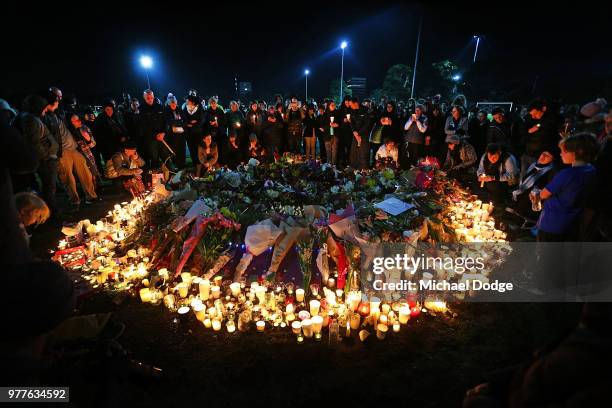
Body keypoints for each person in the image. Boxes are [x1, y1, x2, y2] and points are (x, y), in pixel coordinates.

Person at [533, 133, 598, 242]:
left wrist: (537, 194)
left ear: (577, 152)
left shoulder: (567, 174)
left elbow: (543, 194)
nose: (561, 154)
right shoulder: (591, 170)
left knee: (546, 256)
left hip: (552, 223)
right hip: (572, 223)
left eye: (564, 151)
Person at [46, 91, 98, 208]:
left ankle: (91, 196)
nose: (59, 99)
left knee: (85, 172)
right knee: (67, 178)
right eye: (56, 97)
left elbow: (75, 123)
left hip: (74, 148)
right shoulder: (47, 116)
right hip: (62, 151)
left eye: (60, 96)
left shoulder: (64, 113)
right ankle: (75, 201)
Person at [511, 151, 556, 222]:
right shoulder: (535, 164)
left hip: (530, 203)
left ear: (552, 160)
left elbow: (540, 189)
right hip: (521, 195)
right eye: (543, 154)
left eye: (548, 156)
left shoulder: (549, 173)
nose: (543, 157)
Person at [521, 99, 560, 179]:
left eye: (535, 114)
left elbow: (550, 137)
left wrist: (537, 127)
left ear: (543, 109)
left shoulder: (553, 121)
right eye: (531, 114)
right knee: (524, 176)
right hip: (527, 153)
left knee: (535, 178)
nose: (533, 116)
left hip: (540, 156)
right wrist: (529, 131)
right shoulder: (531, 119)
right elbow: (523, 132)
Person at [68, 114, 101, 192]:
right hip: (76, 155)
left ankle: (96, 188)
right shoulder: (69, 132)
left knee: (92, 172)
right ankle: (88, 190)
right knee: (83, 175)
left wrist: (88, 140)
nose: (79, 121)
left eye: (79, 119)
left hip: (87, 154)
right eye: (76, 120)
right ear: (71, 123)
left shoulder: (84, 128)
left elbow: (93, 143)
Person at [139, 89, 168, 168]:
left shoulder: (159, 107)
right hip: (151, 139)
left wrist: (163, 132)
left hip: (162, 137)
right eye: (148, 98)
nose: (150, 99)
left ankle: (170, 175)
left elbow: (165, 121)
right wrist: (155, 135)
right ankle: (155, 177)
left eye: (151, 97)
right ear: (144, 98)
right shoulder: (141, 109)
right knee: (154, 158)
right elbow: (143, 126)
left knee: (166, 157)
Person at [349, 97, 372, 169]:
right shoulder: (352, 111)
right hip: (355, 134)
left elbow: (367, 124)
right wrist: (354, 132)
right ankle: (354, 167)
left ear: (356, 103)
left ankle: (364, 169)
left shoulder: (365, 110)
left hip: (364, 135)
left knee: (363, 152)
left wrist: (359, 133)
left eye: (351, 104)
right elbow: (351, 122)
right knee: (353, 151)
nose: (350, 106)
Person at [164, 94, 186, 169]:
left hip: (181, 135)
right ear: (169, 103)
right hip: (172, 136)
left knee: (182, 150)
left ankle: (182, 166)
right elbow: (170, 122)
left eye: (174, 103)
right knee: (173, 151)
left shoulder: (179, 109)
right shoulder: (166, 111)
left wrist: (178, 122)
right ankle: (175, 167)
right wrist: (180, 121)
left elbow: (185, 120)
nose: (173, 104)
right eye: (171, 103)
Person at [403, 103, 428, 168]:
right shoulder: (411, 117)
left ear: (422, 111)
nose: (416, 112)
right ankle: (406, 168)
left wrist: (417, 121)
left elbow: (423, 130)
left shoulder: (424, 118)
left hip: (417, 142)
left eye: (418, 110)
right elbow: (405, 127)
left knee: (415, 157)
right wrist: (411, 121)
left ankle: (414, 170)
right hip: (408, 140)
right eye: (416, 110)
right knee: (407, 156)